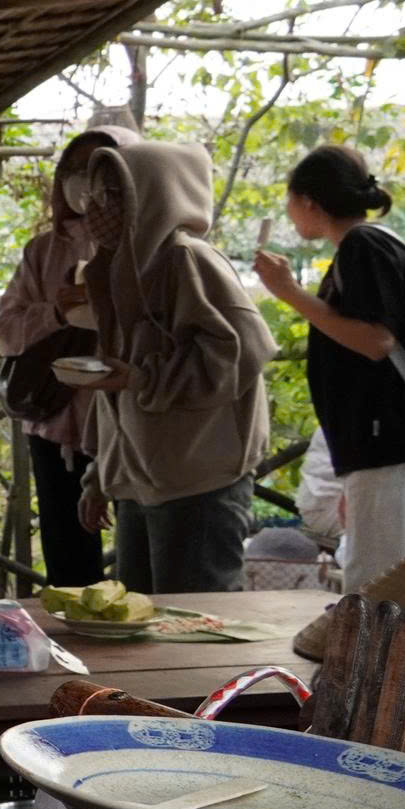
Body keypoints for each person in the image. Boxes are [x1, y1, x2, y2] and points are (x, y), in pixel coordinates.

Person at [68, 129, 274, 593]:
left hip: (199, 480)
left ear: (153, 195)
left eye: (115, 194)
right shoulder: (118, 268)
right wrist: (100, 475)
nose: (99, 208)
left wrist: (143, 378)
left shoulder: (188, 260)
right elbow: (116, 382)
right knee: (140, 624)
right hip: (141, 479)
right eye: (95, 195)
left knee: (197, 629)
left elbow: (241, 351)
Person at [253, 144, 405, 591]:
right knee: (387, 580)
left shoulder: (363, 244)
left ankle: (384, 664)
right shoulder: (366, 247)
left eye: (290, 200)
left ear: (309, 202)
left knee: (383, 589)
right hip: (390, 449)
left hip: (394, 447)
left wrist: (290, 294)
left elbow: (377, 340)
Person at [0, 139, 107, 586]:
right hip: (55, 423)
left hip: (127, 426)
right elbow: (7, 329)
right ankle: (79, 650)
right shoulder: (42, 252)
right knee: (68, 563)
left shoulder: (144, 252)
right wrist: (56, 312)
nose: (82, 181)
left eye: (95, 169)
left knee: (146, 564)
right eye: (73, 169)